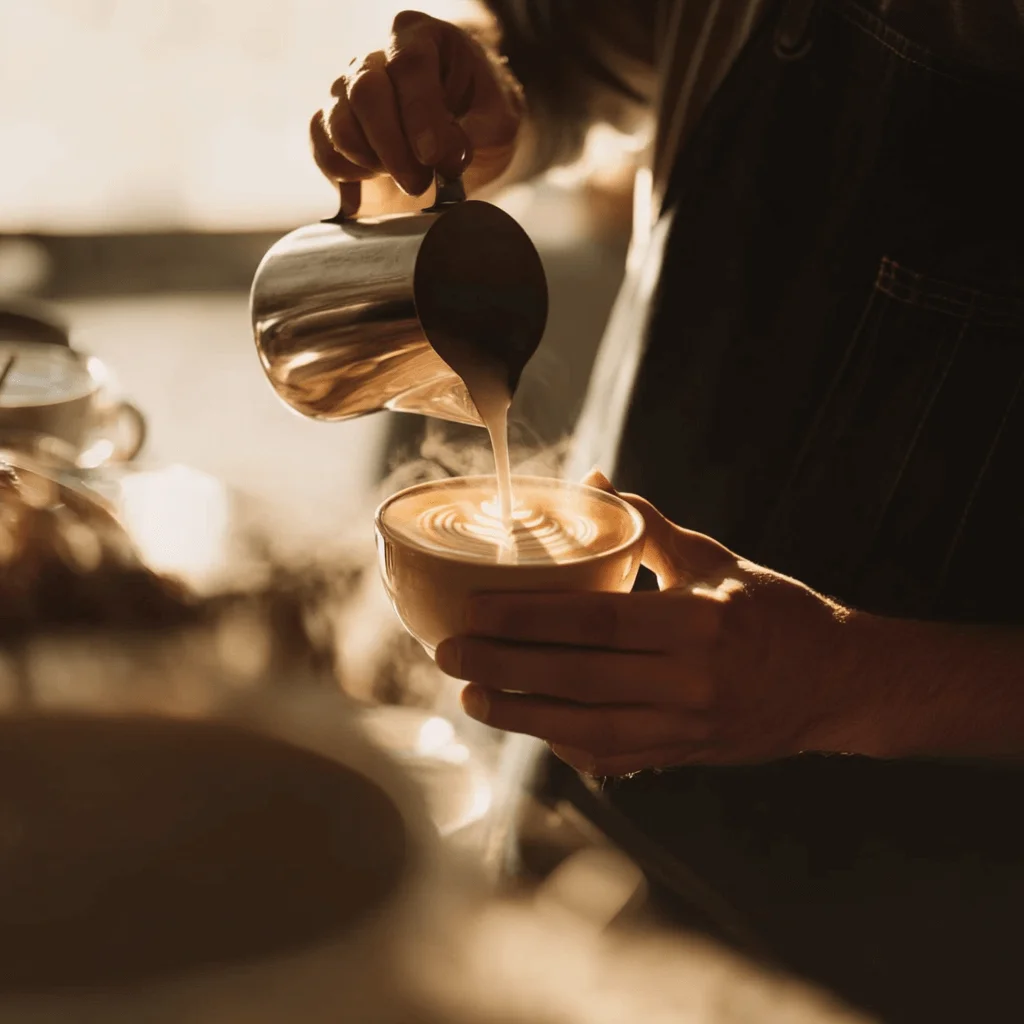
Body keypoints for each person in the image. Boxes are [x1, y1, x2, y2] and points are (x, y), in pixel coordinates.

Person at [310, 3, 1024, 1020]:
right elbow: (555, 47)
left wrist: (847, 677)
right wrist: (475, 91)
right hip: (591, 827)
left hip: (943, 949)